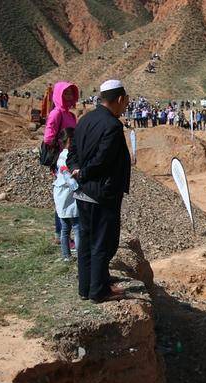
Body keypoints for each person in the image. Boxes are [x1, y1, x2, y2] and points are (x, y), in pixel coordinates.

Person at [67, 79, 131, 303]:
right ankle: (99, 291)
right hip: (102, 194)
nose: (126, 105)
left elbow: (71, 152)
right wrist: (84, 172)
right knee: (103, 243)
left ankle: (85, 287)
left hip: (83, 193)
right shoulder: (112, 126)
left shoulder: (85, 120)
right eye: (126, 101)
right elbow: (103, 160)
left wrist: (76, 170)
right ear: (120, 99)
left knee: (85, 241)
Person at [44, 81, 79, 242]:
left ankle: (68, 234)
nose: (68, 96)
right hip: (62, 160)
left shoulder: (71, 115)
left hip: (72, 159)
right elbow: (48, 137)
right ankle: (61, 234)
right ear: (58, 94)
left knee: (70, 197)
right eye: (65, 93)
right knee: (63, 197)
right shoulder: (56, 113)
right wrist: (61, 151)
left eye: (71, 93)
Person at [53, 128, 80, 262]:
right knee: (76, 227)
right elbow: (69, 178)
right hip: (68, 193)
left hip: (61, 194)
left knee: (65, 228)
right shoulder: (67, 157)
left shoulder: (61, 156)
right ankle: (80, 256)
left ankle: (66, 255)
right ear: (70, 141)